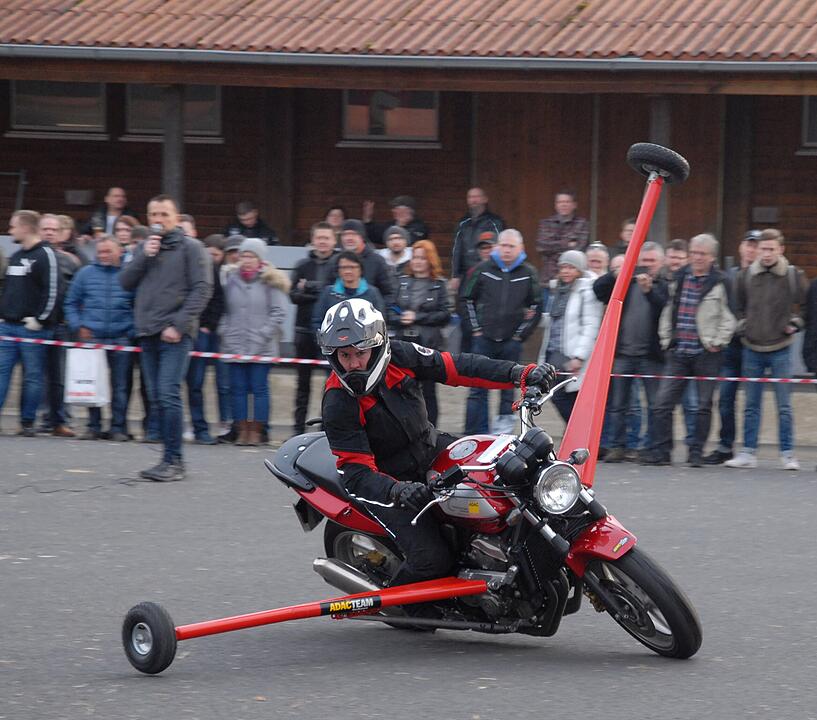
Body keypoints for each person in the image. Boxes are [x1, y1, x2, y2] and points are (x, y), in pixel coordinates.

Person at [318, 297, 556, 588]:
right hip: (390, 480)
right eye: (345, 356)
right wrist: (397, 489)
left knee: (507, 481)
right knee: (433, 559)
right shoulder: (338, 402)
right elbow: (355, 473)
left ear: (377, 344)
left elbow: (458, 367)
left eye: (360, 352)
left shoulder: (401, 356)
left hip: (430, 447)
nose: (354, 364)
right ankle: (406, 610)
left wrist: (517, 373)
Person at [120, 194, 213, 482]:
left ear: (176, 217)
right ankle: (166, 458)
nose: (158, 220)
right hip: (147, 331)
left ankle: (175, 461)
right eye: (153, 215)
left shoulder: (192, 248)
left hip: (174, 333)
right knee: (157, 397)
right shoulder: (145, 248)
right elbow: (125, 282)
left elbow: (202, 289)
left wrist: (180, 324)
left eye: (164, 214)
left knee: (167, 392)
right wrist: (144, 256)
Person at [641, 234, 735, 467]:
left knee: (703, 406)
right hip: (678, 351)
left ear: (712, 257)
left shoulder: (722, 281)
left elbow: (730, 317)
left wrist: (717, 341)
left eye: (702, 254)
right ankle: (663, 452)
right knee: (663, 404)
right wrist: (666, 339)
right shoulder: (680, 278)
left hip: (707, 352)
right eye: (694, 253)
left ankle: (696, 452)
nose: (697, 257)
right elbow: (669, 310)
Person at [725, 229, 808, 471]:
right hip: (752, 346)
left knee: (784, 405)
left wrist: (795, 324)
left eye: (772, 249)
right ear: (758, 250)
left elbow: (805, 307)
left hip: (782, 347)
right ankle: (748, 452)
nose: (767, 254)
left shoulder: (793, 275)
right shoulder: (745, 276)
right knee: (751, 404)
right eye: (763, 249)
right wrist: (743, 326)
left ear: (781, 250)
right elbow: (737, 306)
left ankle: (788, 453)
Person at [594, 242, 668, 462]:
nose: (647, 267)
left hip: (651, 356)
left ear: (660, 263)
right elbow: (598, 290)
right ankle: (618, 446)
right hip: (623, 354)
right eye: (644, 262)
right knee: (618, 405)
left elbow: (664, 307)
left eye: (652, 262)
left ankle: (650, 447)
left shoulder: (663, 284)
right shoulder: (626, 282)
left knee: (654, 405)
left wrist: (650, 291)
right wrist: (616, 273)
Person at [463, 229, 541, 434]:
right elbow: (466, 298)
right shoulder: (483, 269)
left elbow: (536, 306)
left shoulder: (528, 273)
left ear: (520, 249)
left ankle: (501, 434)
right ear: (497, 246)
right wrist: (476, 329)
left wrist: (519, 335)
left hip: (510, 341)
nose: (506, 250)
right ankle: (474, 433)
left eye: (511, 246)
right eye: (503, 245)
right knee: (477, 386)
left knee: (508, 388)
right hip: (483, 338)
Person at [219, 237, 289, 446]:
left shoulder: (270, 280)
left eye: (251, 256)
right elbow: (223, 310)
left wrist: (263, 333)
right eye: (244, 255)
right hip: (234, 345)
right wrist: (224, 331)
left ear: (260, 259)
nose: (246, 260)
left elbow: (279, 312)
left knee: (259, 389)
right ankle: (242, 430)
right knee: (238, 389)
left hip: (262, 346)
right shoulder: (230, 279)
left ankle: (257, 431)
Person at [64, 235, 135, 441]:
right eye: (100, 251)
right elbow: (71, 302)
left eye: (108, 251)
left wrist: (130, 331)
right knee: (90, 384)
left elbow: (138, 304)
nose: (103, 255)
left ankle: (118, 427)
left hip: (121, 337)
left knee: (120, 386)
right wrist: (79, 326)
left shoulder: (129, 275)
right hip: (92, 337)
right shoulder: (85, 274)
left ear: (119, 251)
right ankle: (93, 426)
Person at [0, 210, 63, 436]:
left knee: (33, 376)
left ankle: (27, 421)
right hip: (7, 325)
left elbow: (53, 291)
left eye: (13, 226)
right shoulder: (16, 256)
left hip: (32, 328)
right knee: (2, 373)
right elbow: (7, 289)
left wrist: (40, 319)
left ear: (25, 228)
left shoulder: (46, 255)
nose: (10, 231)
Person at [704, 230, 760, 464]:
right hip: (730, 346)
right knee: (725, 399)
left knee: (751, 402)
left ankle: (748, 450)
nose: (751, 250)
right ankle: (725, 446)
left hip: (753, 344)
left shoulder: (762, 277)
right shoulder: (730, 275)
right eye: (748, 245)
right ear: (741, 248)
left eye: (756, 246)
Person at [387, 239, 450, 425]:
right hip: (404, 343)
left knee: (429, 391)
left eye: (422, 258)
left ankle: (431, 427)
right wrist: (400, 319)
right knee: (402, 387)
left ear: (430, 260)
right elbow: (390, 310)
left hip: (428, 344)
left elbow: (445, 315)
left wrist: (417, 317)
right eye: (415, 257)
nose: (418, 261)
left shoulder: (439, 284)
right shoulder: (402, 282)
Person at [537, 249, 603, 423]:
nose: (565, 271)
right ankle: (577, 430)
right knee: (556, 393)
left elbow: (591, 325)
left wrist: (579, 356)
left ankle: (578, 431)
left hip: (572, 353)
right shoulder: (557, 290)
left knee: (567, 396)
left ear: (579, 270)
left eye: (571, 267)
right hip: (553, 351)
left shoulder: (587, 290)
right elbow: (555, 320)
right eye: (563, 267)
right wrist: (535, 317)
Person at [289, 221, 337, 435]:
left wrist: (308, 287)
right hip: (303, 332)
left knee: (330, 384)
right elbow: (293, 295)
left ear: (333, 240)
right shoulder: (301, 265)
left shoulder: (338, 265)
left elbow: (333, 293)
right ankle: (298, 429)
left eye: (326, 238)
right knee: (302, 385)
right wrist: (317, 292)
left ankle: (325, 428)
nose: (322, 242)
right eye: (319, 238)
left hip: (330, 332)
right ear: (313, 240)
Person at [185, 234, 229, 445]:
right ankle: (196, 424)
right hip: (182, 329)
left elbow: (217, 300)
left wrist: (206, 326)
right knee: (193, 383)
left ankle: (205, 428)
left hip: (202, 332)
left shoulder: (209, 268)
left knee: (203, 381)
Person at [535, 190, 589, 306]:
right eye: (560, 202)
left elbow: (579, 250)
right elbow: (541, 247)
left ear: (574, 205)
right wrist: (567, 243)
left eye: (567, 202)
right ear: (556, 205)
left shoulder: (582, 223)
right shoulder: (546, 223)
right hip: (548, 281)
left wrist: (553, 245)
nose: (563, 205)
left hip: (573, 282)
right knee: (548, 318)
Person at [450, 187, 505, 294]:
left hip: (489, 271)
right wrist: (455, 275)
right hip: (466, 274)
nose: (473, 200)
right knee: (465, 304)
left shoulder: (494, 222)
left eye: (476, 197)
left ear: (485, 199)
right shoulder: (463, 223)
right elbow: (456, 250)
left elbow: (500, 247)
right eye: (470, 197)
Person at [327, 219, 394, 304]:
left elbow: (388, 294)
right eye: (345, 234)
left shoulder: (377, 261)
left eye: (353, 234)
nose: (349, 238)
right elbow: (327, 292)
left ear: (362, 237)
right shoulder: (334, 261)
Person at [312, 251, 386, 329]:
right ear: (338, 270)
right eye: (344, 267)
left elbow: (380, 321)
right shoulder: (328, 293)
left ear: (360, 269)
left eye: (352, 267)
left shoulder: (372, 293)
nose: (348, 271)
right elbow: (317, 321)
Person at [362, 195, 429, 248]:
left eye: (396, 208)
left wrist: (401, 226)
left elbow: (411, 242)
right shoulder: (391, 225)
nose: (393, 211)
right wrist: (368, 220)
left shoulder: (419, 227)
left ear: (407, 210)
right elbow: (375, 235)